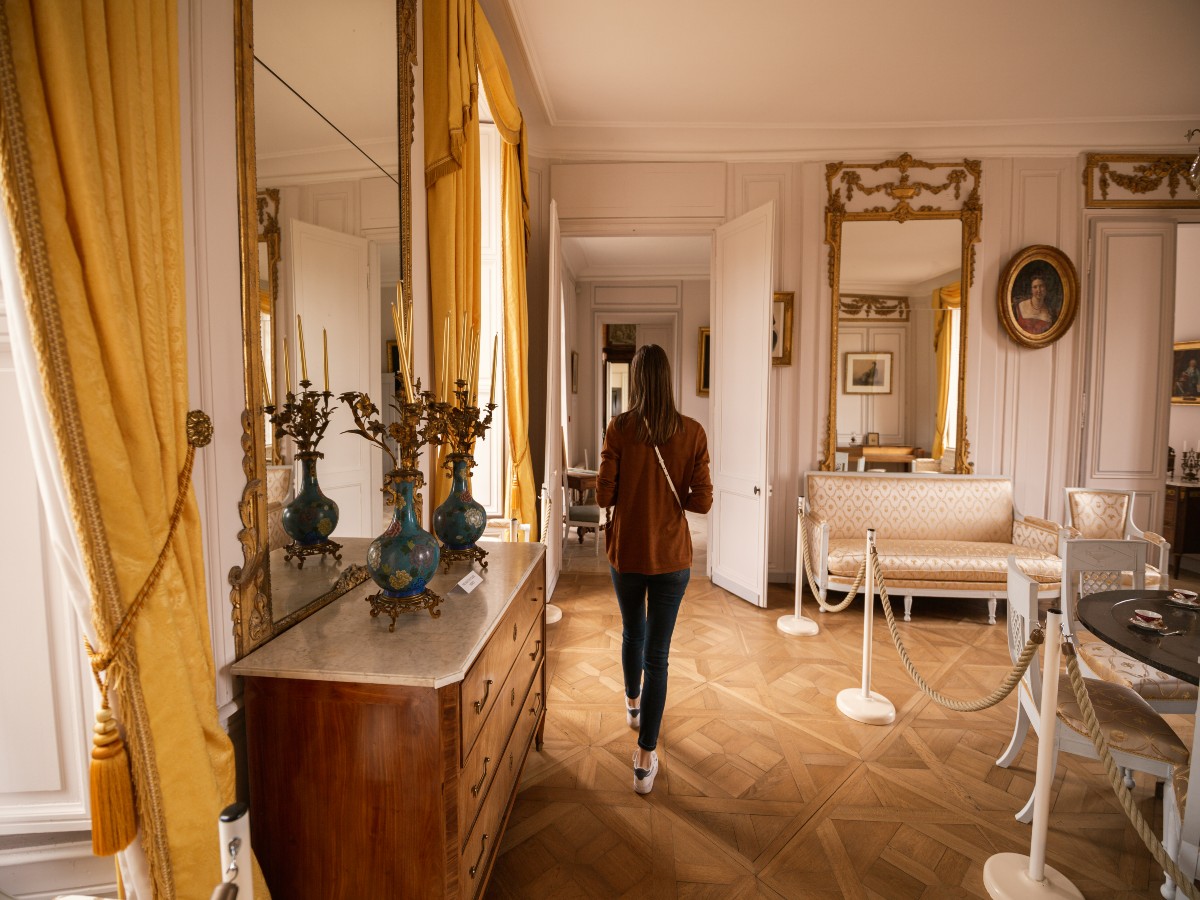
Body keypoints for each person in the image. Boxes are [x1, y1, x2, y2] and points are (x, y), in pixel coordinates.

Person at [596, 344, 712, 795]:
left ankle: (631, 704)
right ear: (669, 379)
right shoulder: (693, 432)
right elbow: (701, 501)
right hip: (672, 559)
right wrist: (672, 499)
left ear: (638, 380)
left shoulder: (620, 429)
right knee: (658, 656)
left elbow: (604, 496)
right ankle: (645, 759)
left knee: (632, 634)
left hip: (628, 554)